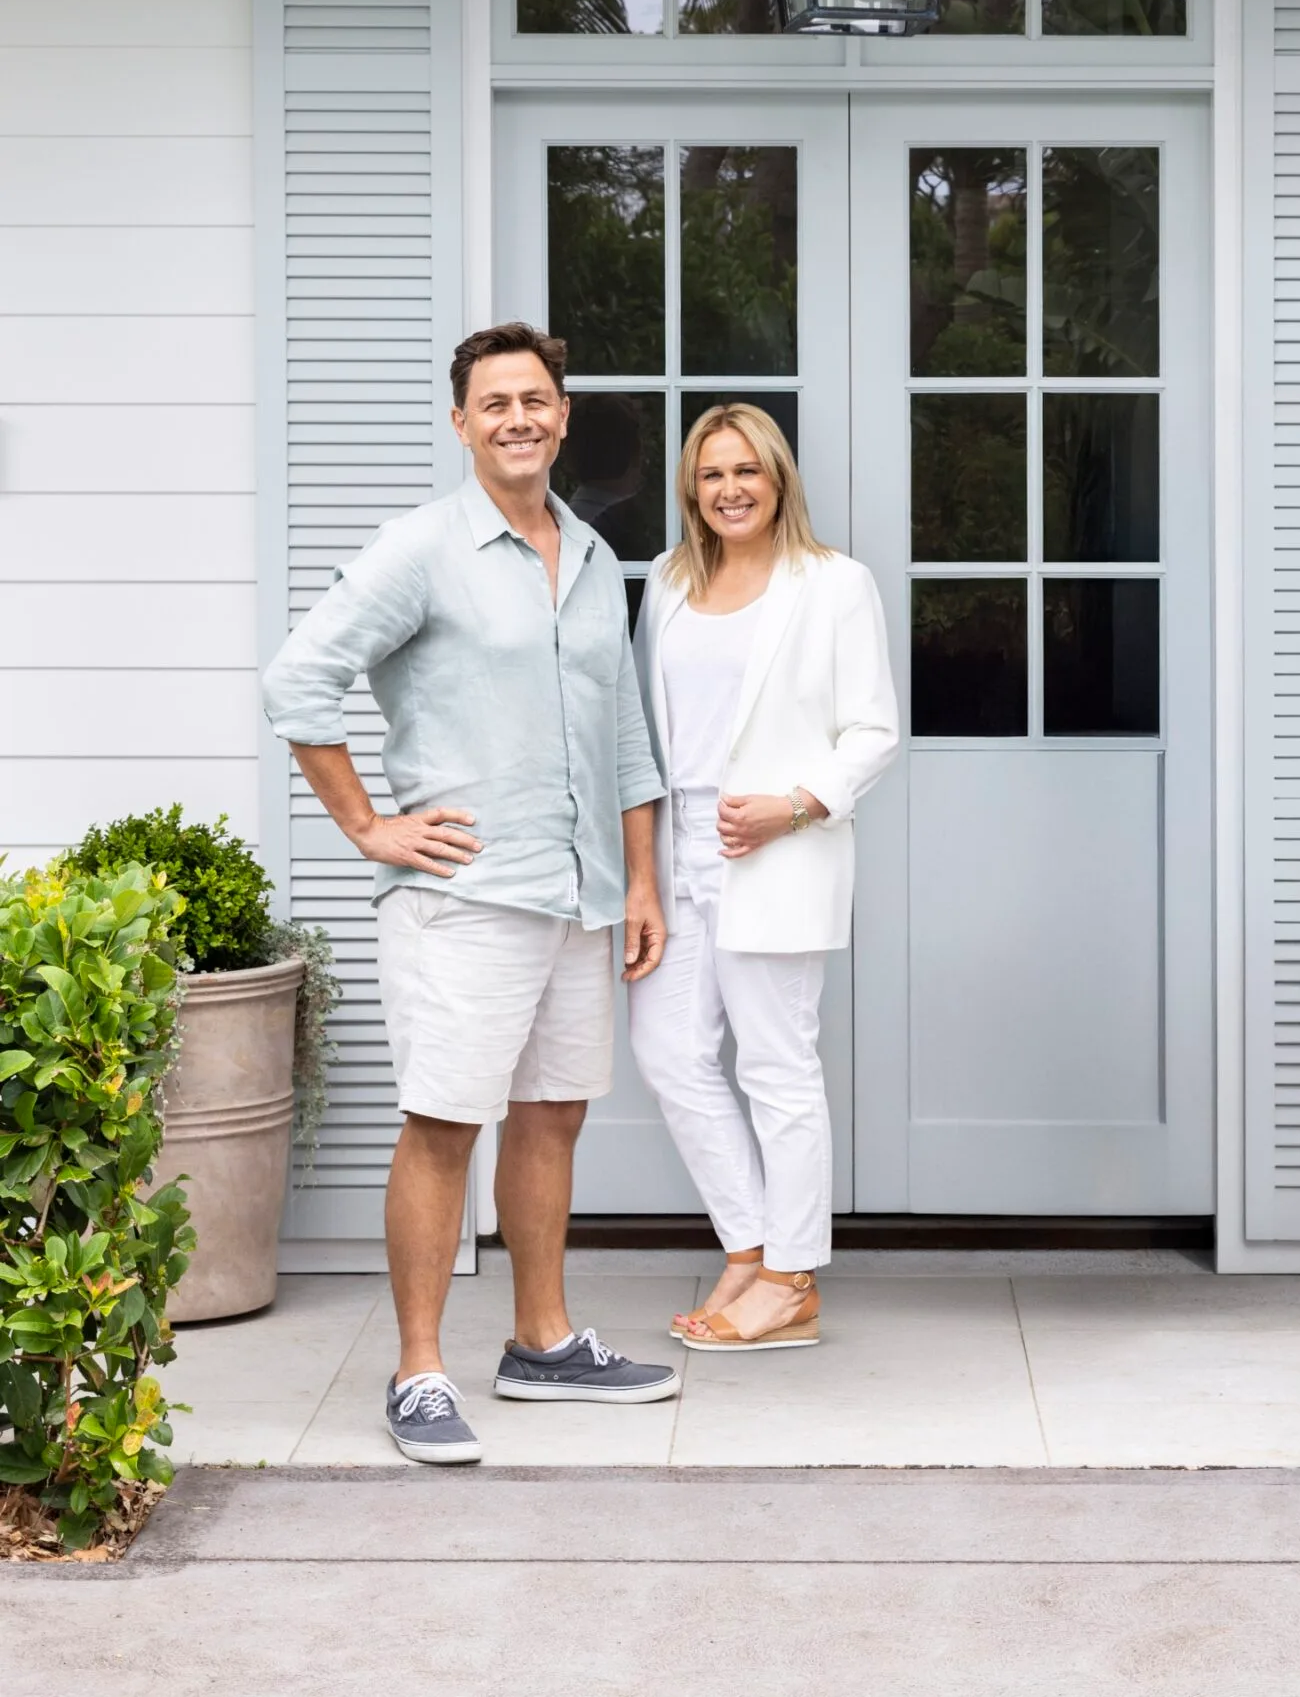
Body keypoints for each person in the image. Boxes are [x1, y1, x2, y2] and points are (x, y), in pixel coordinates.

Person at [261, 322, 680, 1465]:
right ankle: (420, 1368)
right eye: (494, 402)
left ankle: (542, 1340)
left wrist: (640, 880)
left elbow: (625, 736)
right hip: (465, 895)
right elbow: (300, 680)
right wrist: (367, 825)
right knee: (445, 1121)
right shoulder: (421, 548)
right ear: (461, 423)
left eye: (536, 399)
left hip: (576, 893)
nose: (518, 418)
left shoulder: (592, 557)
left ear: (562, 414)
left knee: (552, 1114)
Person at [629, 404, 899, 1351]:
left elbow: (874, 729)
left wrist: (796, 803)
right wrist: (642, 876)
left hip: (776, 851)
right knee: (669, 1054)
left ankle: (791, 1281)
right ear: (690, 489)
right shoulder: (667, 583)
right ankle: (749, 1246)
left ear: (778, 478)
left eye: (747, 470)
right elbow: (644, 739)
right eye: (711, 475)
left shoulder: (833, 585)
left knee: (777, 1070)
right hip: (679, 852)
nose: (730, 489)